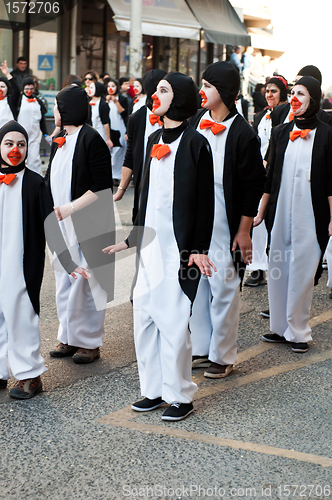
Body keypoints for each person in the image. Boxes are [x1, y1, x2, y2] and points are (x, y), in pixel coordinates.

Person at [103, 72, 215, 421]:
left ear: (179, 99)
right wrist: (132, 237)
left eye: (163, 90)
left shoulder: (197, 144)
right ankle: (152, 390)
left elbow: (205, 204)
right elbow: (145, 197)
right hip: (150, 248)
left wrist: (198, 248)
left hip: (178, 251)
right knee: (145, 318)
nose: (155, 93)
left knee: (174, 321)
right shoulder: (151, 138)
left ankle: (181, 395)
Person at [0, 121, 89, 399]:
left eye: (22, 144)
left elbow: (51, 226)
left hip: (21, 265)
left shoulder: (36, 183)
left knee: (21, 317)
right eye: (9, 144)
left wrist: (68, 261)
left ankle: (30, 376)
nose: (16, 149)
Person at [188, 61, 266, 377]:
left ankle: (223, 355)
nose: (201, 90)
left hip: (225, 218)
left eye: (207, 85)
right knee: (198, 284)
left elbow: (252, 186)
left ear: (224, 91)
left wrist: (244, 231)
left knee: (223, 286)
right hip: (197, 217)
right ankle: (202, 348)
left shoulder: (243, 134)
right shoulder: (195, 121)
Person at [255, 77, 332, 353]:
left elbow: (331, 182)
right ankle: (279, 327)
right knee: (278, 268)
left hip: (310, 213)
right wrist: (261, 212)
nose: (296, 97)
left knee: (302, 270)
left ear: (313, 98)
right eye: (293, 93)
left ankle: (298, 332)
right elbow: (269, 177)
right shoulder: (279, 132)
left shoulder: (326, 134)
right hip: (280, 210)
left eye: (302, 93)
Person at [45, 84, 115, 364]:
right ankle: (69, 336)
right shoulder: (61, 137)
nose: (53, 111)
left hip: (85, 221)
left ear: (66, 109)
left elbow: (101, 186)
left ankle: (89, 342)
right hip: (61, 222)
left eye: (57, 106)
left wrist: (70, 208)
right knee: (64, 277)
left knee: (89, 280)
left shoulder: (91, 138)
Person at [245, 75, 288, 287]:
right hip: (258, 172)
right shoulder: (261, 115)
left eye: (274, 91)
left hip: (275, 172)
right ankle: (257, 267)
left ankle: (274, 267)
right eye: (268, 91)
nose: (269, 95)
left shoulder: (286, 115)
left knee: (272, 220)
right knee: (256, 220)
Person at [113, 69, 166, 222]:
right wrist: (121, 189)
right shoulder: (137, 118)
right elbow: (130, 155)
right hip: (143, 183)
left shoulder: (176, 116)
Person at [17, 77, 50, 175]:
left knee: (34, 160)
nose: (29, 91)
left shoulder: (38, 101)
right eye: (26, 89)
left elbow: (42, 120)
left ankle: (37, 180)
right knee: (20, 158)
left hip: (35, 136)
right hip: (20, 136)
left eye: (31, 89)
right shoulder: (18, 100)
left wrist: (46, 134)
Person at [105, 78, 128, 184]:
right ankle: (111, 175)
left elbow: (124, 114)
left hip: (120, 127)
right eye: (109, 86)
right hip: (108, 128)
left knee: (119, 151)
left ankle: (118, 176)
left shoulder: (122, 99)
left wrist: (116, 102)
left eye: (113, 86)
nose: (111, 88)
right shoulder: (104, 99)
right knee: (109, 152)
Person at [86, 81, 113, 149]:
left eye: (92, 87)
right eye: (89, 87)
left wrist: (108, 139)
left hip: (100, 133)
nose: (89, 89)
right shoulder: (87, 103)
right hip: (89, 133)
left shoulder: (103, 104)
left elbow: (106, 123)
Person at [0, 60, 20, 127]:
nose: (0, 89)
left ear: (7, 88)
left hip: (9, 132)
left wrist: (7, 74)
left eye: (2, 87)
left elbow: (17, 90)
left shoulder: (10, 100)